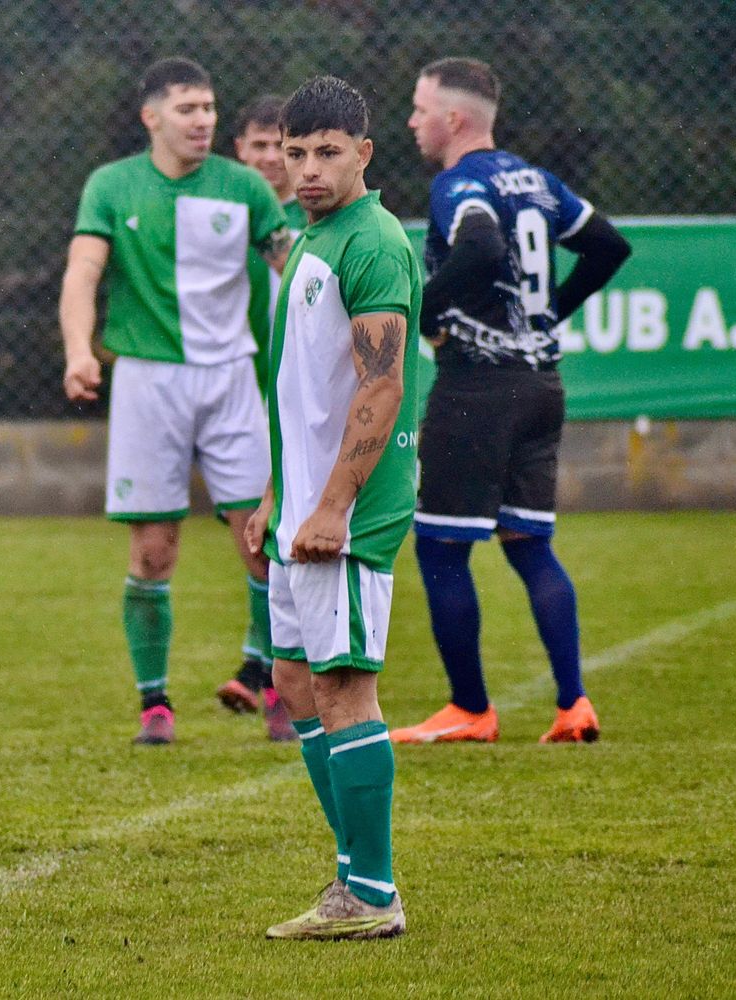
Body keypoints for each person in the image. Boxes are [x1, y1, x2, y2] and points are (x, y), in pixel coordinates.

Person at [391, 58, 632, 745]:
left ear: (454, 119)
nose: (413, 121)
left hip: (477, 388)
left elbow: (481, 246)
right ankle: (573, 703)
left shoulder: (457, 183)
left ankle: (470, 709)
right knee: (529, 544)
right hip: (541, 385)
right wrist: (552, 313)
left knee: (440, 547)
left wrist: (414, 311)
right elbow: (609, 246)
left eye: (419, 108)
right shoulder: (536, 180)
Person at [59, 57, 292, 746]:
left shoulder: (245, 188)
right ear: (151, 117)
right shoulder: (112, 184)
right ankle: (154, 705)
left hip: (230, 379)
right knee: (154, 551)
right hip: (147, 381)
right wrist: (79, 348)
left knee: (263, 542)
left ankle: (279, 684)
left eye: (210, 108)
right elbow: (82, 272)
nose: (204, 121)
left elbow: (295, 267)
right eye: (188, 108)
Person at [246, 75, 420, 940]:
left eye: (327, 153)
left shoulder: (373, 242)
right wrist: (279, 496)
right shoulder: (313, 238)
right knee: (293, 682)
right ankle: (352, 882)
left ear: (364, 153)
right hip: (301, 509)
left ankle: (373, 894)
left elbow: (379, 387)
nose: (308, 169)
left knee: (346, 688)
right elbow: (300, 392)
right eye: (296, 152)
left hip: (346, 517)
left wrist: (330, 507)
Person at [215, 93, 310, 741]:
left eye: (284, 146)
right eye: (259, 147)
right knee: (255, 533)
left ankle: (270, 668)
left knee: (288, 540)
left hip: (305, 408)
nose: (271, 159)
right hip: (243, 401)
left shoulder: (315, 226)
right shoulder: (230, 228)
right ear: (238, 154)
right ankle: (267, 666)